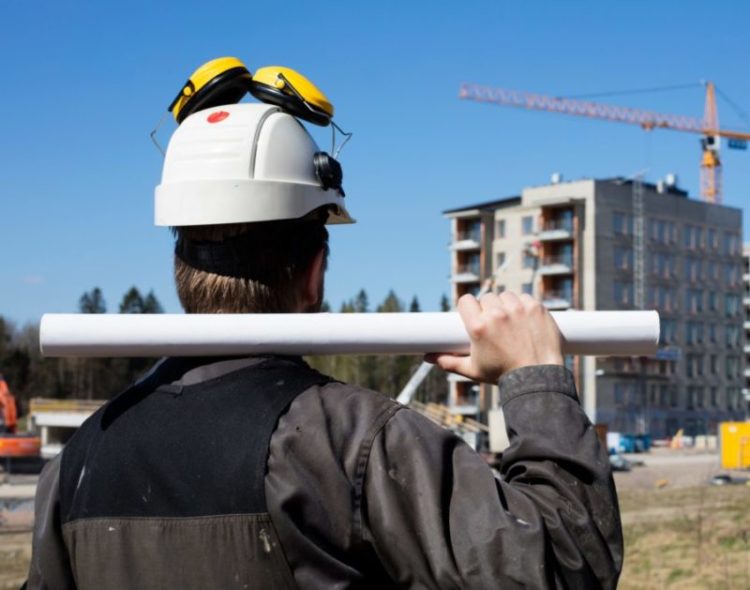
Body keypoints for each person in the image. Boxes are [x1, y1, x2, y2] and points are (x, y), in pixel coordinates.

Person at [26, 101, 622, 589]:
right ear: (314, 272)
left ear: (180, 268)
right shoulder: (357, 444)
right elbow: (567, 566)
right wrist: (536, 376)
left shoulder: (77, 465)